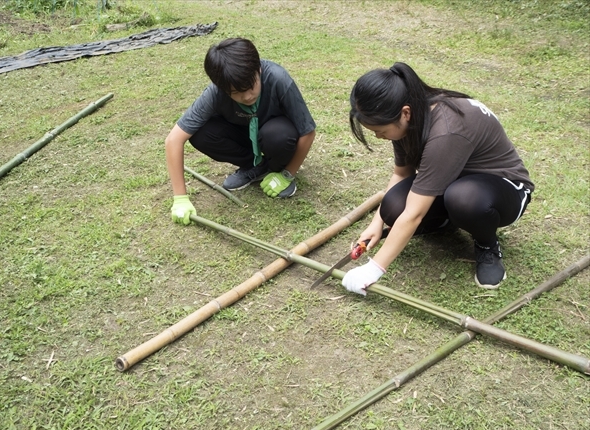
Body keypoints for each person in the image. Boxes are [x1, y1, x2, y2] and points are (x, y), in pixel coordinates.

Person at [342, 62, 534, 293]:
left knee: (464, 198)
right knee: (393, 207)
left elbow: (414, 214)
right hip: (451, 180)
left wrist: (373, 269)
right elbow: (401, 173)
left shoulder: (446, 130)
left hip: (503, 189)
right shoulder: (410, 117)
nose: (379, 137)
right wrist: (377, 222)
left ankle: (487, 245)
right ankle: (448, 222)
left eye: (381, 131)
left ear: (405, 113)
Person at [165, 37, 317, 225]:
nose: (246, 96)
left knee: (277, 135)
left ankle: (277, 169)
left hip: (275, 136)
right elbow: (174, 140)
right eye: (235, 92)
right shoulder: (215, 92)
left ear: (258, 70)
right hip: (245, 136)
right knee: (200, 133)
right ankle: (256, 167)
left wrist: (288, 173)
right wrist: (180, 198)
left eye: (250, 86)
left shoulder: (278, 79)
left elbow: (308, 131)